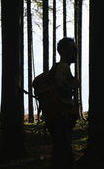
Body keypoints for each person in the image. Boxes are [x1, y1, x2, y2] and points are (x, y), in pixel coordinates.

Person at [32, 37, 79, 168]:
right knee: (63, 154)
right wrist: (72, 85)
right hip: (61, 116)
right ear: (63, 51)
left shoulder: (59, 68)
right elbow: (62, 89)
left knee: (59, 152)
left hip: (58, 116)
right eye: (73, 49)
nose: (76, 52)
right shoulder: (63, 68)